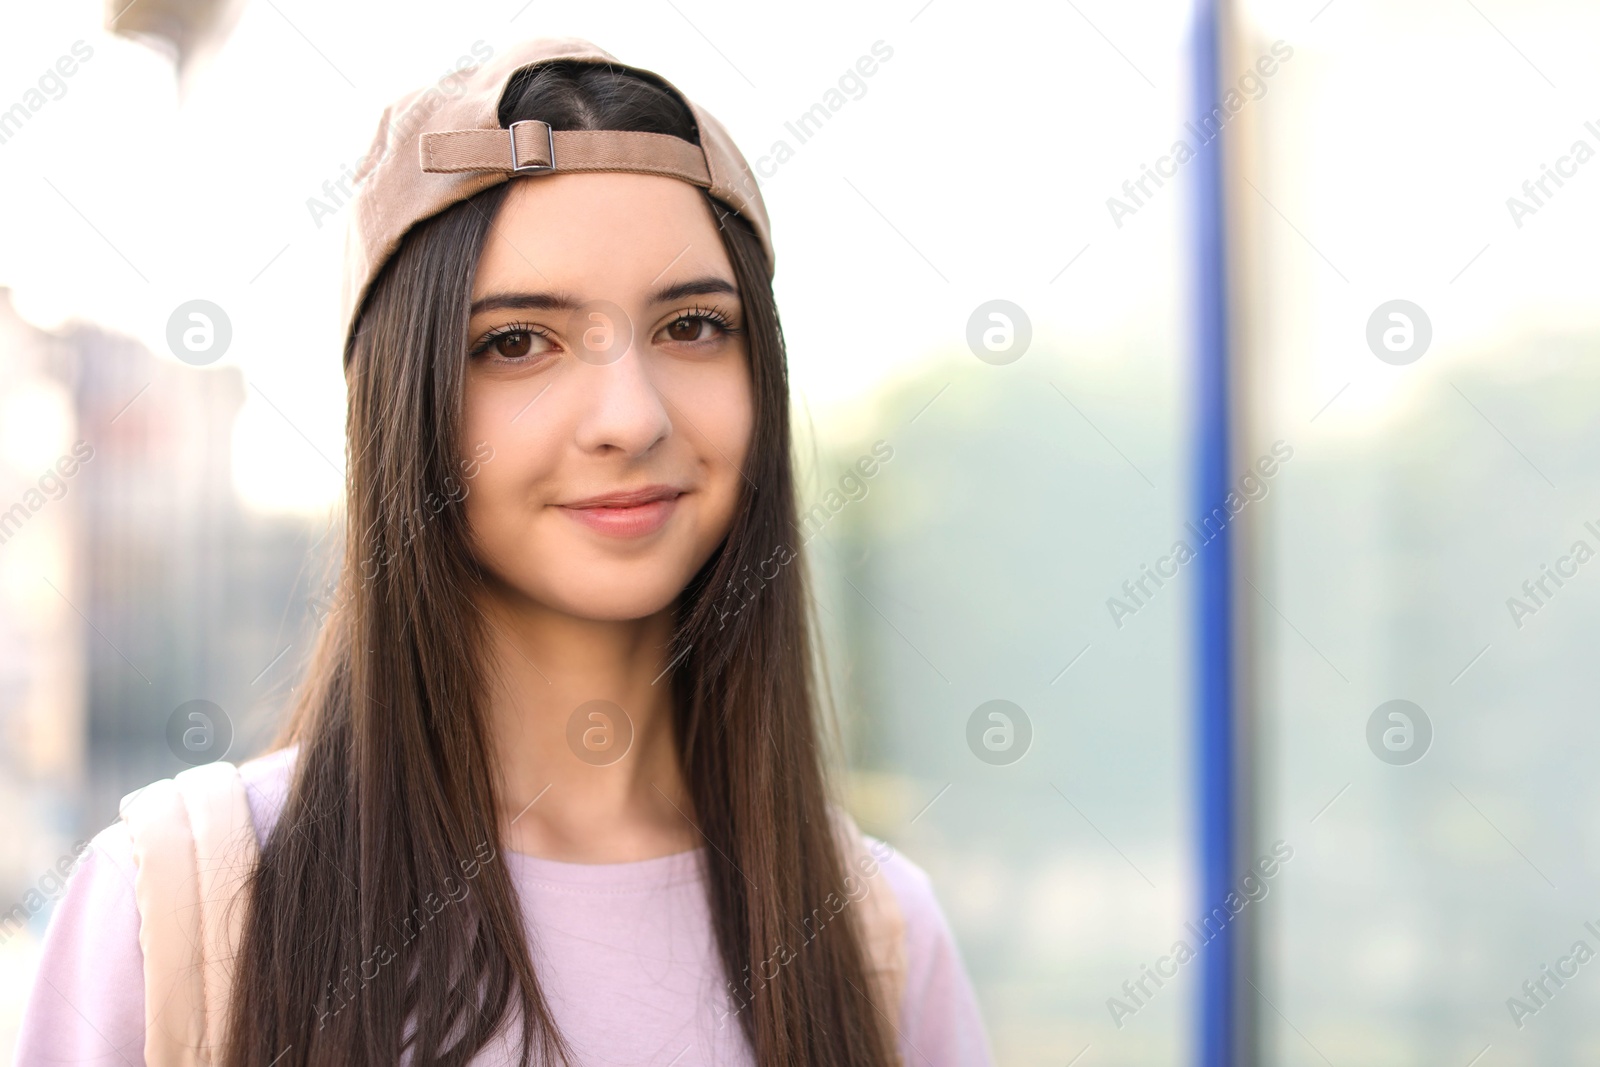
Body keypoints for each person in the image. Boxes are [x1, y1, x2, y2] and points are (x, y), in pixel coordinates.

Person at [16, 37, 991, 1066]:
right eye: (519, 341)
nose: (630, 416)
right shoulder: (180, 903)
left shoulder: (874, 935)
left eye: (694, 324)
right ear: (404, 407)